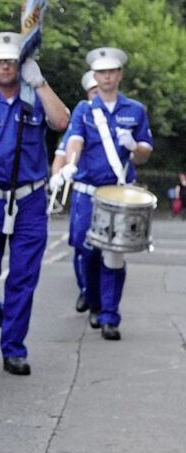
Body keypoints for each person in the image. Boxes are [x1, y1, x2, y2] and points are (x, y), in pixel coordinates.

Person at [0, 32, 69, 374]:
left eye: (11, 61)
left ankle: (14, 347)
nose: (5, 67)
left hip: (28, 199)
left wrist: (39, 82)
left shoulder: (34, 98)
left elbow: (61, 121)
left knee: (23, 277)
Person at [56, 47, 153, 340]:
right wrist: (70, 165)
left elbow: (145, 153)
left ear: (120, 75)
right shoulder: (85, 110)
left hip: (119, 192)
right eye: (101, 73)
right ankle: (94, 302)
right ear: (95, 76)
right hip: (87, 192)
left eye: (111, 72)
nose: (107, 77)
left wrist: (134, 147)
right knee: (86, 250)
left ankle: (110, 316)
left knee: (114, 255)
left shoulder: (135, 110)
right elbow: (74, 139)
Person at [49, 70, 98, 312]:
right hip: (84, 191)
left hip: (110, 191)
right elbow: (61, 154)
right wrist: (58, 175)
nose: (97, 94)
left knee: (106, 249)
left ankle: (101, 300)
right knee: (80, 245)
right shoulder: (80, 120)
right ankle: (85, 289)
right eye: (93, 91)